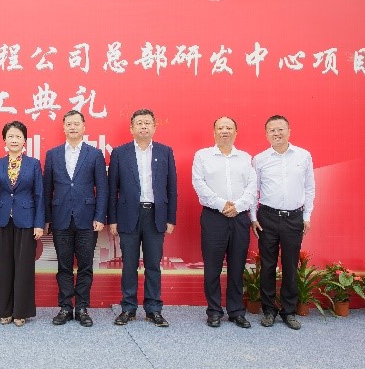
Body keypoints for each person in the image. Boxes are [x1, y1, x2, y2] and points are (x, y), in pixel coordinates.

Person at [108, 109, 177, 327]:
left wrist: (171, 218)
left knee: (153, 265)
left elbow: (172, 187)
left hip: (155, 215)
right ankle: (128, 308)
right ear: (132, 128)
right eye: (139, 123)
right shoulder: (120, 153)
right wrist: (113, 219)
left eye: (147, 123)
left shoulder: (165, 152)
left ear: (154, 127)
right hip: (128, 215)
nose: (144, 126)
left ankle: (153, 309)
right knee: (129, 264)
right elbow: (112, 189)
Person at [44, 110, 108, 327]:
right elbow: (47, 189)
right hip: (60, 218)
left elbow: (103, 188)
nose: (72, 127)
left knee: (85, 265)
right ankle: (65, 307)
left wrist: (100, 215)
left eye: (76, 124)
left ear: (84, 127)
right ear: (63, 128)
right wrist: (46, 218)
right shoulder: (53, 154)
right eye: (69, 124)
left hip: (87, 219)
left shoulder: (94, 154)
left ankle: (81, 308)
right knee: (63, 266)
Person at [191, 116, 257, 328]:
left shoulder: (245, 158)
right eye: (220, 128)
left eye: (229, 128)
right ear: (214, 132)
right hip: (213, 217)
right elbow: (199, 184)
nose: (225, 131)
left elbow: (252, 187)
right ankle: (214, 311)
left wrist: (238, 206)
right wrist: (221, 204)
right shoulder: (202, 156)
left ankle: (236, 311)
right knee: (212, 267)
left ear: (236, 133)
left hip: (240, 218)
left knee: (237, 267)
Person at [252, 115, 315, 331]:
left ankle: (288, 311)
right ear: (266, 134)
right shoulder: (260, 159)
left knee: (290, 265)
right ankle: (269, 310)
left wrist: (307, 216)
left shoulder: (303, 156)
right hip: (267, 217)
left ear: (289, 131)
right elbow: (253, 191)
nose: (277, 133)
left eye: (281, 129)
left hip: (294, 218)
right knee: (268, 265)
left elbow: (309, 188)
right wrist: (253, 217)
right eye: (272, 130)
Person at [0, 121, 45, 327]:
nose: (14, 140)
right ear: (5, 140)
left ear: (24, 140)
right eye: (10, 136)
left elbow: (39, 195)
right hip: (1, 220)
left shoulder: (33, 164)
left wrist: (39, 223)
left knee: (24, 267)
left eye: (18, 136)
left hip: (26, 221)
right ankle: (4, 310)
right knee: (3, 267)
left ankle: (21, 312)